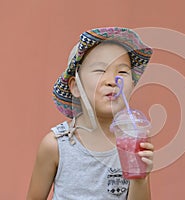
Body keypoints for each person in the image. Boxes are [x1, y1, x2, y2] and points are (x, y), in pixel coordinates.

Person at [27, 27, 154, 200]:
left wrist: (141, 179)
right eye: (101, 71)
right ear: (76, 87)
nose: (113, 81)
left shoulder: (131, 140)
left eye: (123, 72)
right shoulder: (56, 145)